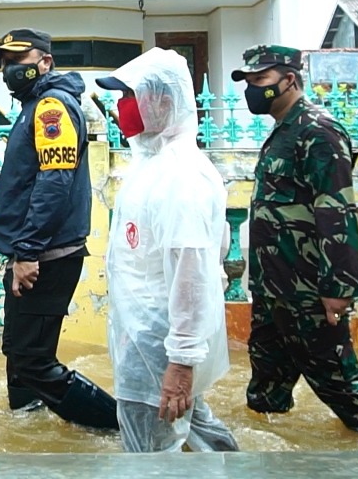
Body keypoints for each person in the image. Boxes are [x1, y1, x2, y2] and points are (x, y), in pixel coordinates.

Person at [232, 45, 358, 435]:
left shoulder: (318, 131)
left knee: (340, 385)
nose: (253, 89)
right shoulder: (284, 131)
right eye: (249, 81)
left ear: (290, 80)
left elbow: (336, 212)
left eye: (261, 80)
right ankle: (270, 453)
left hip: (307, 289)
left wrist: (338, 289)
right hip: (274, 287)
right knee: (266, 389)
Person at [96, 48, 239, 452]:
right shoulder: (154, 164)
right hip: (148, 335)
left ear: (160, 100)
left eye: (128, 96)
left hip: (160, 342)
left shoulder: (181, 177)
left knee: (151, 456)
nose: (121, 107)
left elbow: (194, 272)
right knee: (198, 433)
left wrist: (181, 361)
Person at [0, 28, 118, 430]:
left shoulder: (51, 108)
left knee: (32, 360)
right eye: (5, 61)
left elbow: (54, 181)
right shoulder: (33, 105)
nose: (9, 68)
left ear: (45, 61)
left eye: (18, 59)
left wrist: (27, 252)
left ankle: (118, 425)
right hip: (33, 251)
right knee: (19, 358)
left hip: (46, 254)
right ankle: (29, 436)